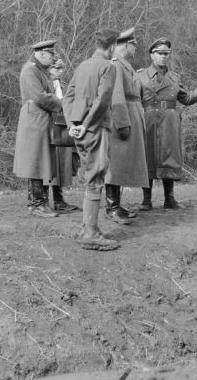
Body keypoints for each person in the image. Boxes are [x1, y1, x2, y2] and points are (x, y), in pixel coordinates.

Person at [137, 37, 197, 210]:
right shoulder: (140, 76)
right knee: (147, 156)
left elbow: (186, 99)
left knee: (169, 157)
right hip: (148, 120)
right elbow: (134, 100)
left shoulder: (175, 77)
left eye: (166, 53)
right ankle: (146, 200)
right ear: (151, 55)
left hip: (170, 122)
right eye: (159, 53)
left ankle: (169, 199)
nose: (163, 56)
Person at [63, 29, 119, 250]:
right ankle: (91, 233)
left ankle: (88, 228)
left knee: (89, 177)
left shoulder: (82, 66)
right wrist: (86, 125)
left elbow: (67, 98)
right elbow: (102, 100)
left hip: (79, 130)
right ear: (112, 46)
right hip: (95, 128)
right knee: (96, 177)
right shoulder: (108, 67)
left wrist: (72, 125)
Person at [13, 39, 63, 218]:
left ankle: (40, 203)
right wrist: (62, 104)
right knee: (35, 161)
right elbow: (40, 96)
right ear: (41, 54)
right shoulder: (30, 70)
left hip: (40, 119)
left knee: (41, 160)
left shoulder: (39, 70)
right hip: (35, 119)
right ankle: (36, 205)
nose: (53, 58)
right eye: (51, 55)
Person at [104, 27, 149, 224]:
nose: (135, 49)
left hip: (132, 114)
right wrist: (122, 123)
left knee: (123, 163)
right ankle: (112, 208)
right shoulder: (115, 65)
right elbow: (117, 97)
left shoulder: (124, 65)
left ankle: (117, 206)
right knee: (116, 163)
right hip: (123, 117)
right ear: (125, 45)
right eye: (134, 45)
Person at [45, 60, 79, 213]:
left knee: (62, 166)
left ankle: (59, 200)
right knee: (46, 165)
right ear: (49, 69)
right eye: (56, 68)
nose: (60, 71)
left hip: (63, 128)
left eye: (62, 68)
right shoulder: (44, 84)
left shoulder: (64, 86)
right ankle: (42, 200)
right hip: (48, 128)